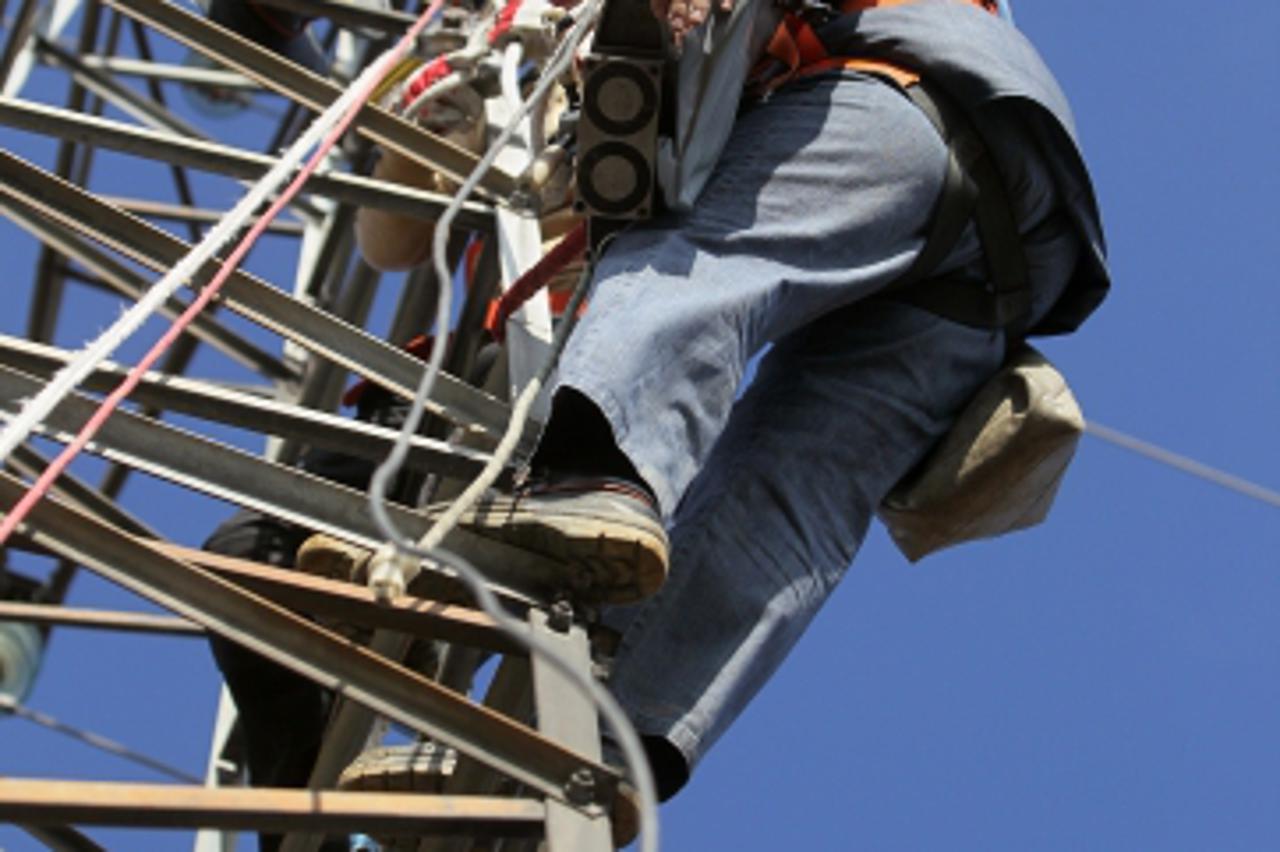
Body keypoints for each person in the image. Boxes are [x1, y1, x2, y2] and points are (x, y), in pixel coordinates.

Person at [208, 0, 1110, 842]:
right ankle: (608, 743)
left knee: (687, 261)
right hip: (1020, 233)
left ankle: (593, 474)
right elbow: (394, 238)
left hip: (897, 111)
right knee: (789, 493)